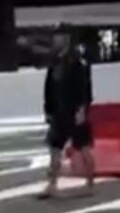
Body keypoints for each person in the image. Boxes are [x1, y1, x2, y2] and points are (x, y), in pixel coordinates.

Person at [39, 33, 95, 199]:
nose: (55, 40)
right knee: (54, 148)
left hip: (74, 110)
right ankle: (52, 184)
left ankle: (90, 183)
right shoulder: (54, 62)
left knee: (83, 147)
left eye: (59, 37)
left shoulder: (77, 62)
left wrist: (82, 109)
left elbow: (85, 88)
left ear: (66, 40)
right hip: (58, 112)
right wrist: (48, 110)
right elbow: (49, 88)